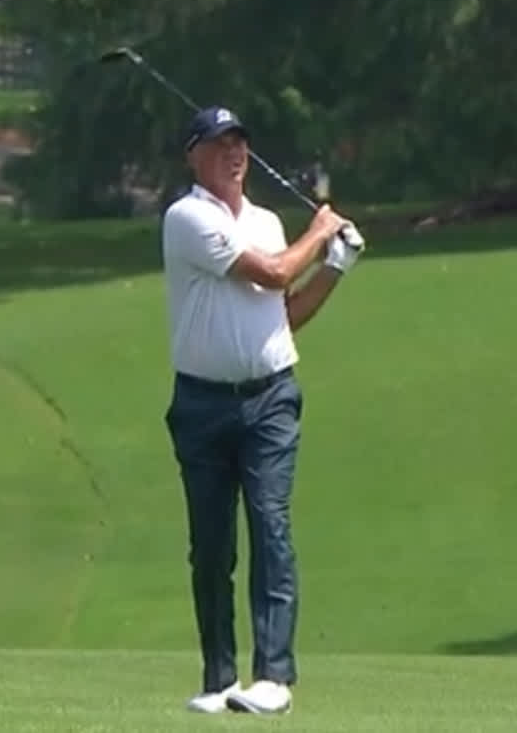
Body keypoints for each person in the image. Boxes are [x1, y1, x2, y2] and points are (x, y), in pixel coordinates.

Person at [159, 105, 364, 715]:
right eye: (220, 143)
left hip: (271, 398)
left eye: (241, 142)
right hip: (201, 403)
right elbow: (274, 274)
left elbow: (286, 314)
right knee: (212, 546)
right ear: (194, 154)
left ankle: (273, 676)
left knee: (271, 526)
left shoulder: (271, 222)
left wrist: (335, 266)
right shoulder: (186, 218)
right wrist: (321, 230)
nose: (234, 153)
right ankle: (219, 679)